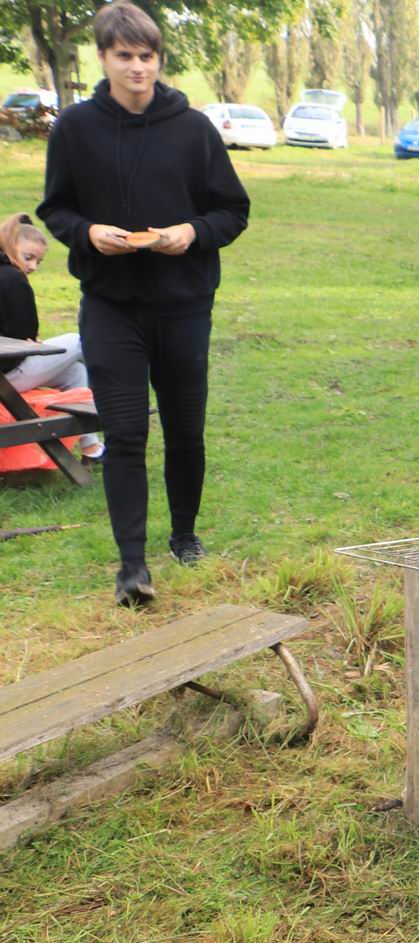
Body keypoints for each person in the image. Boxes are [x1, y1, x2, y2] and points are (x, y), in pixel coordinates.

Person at [36, 1, 249, 605]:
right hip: (111, 305)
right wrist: (87, 233)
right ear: (102, 58)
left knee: (185, 431)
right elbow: (56, 208)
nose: (137, 68)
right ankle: (132, 567)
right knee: (126, 434)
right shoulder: (75, 128)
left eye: (147, 57)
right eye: (125, 56)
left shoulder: (194, 129)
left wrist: (191, 234)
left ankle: (185, 536)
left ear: (159, 59)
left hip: (184, 304)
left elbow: (232, 210)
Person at [0, 214, 99, 458]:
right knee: (82, 341)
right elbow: (25, 334)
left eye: (39, 262)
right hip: (8, 372)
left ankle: (92, 449)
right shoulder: (13, 279)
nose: (33, 266)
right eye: (28, 257)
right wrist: (31, 339)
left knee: (76, 373)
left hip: (7, 365)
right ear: (10, 246)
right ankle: (123, 406)